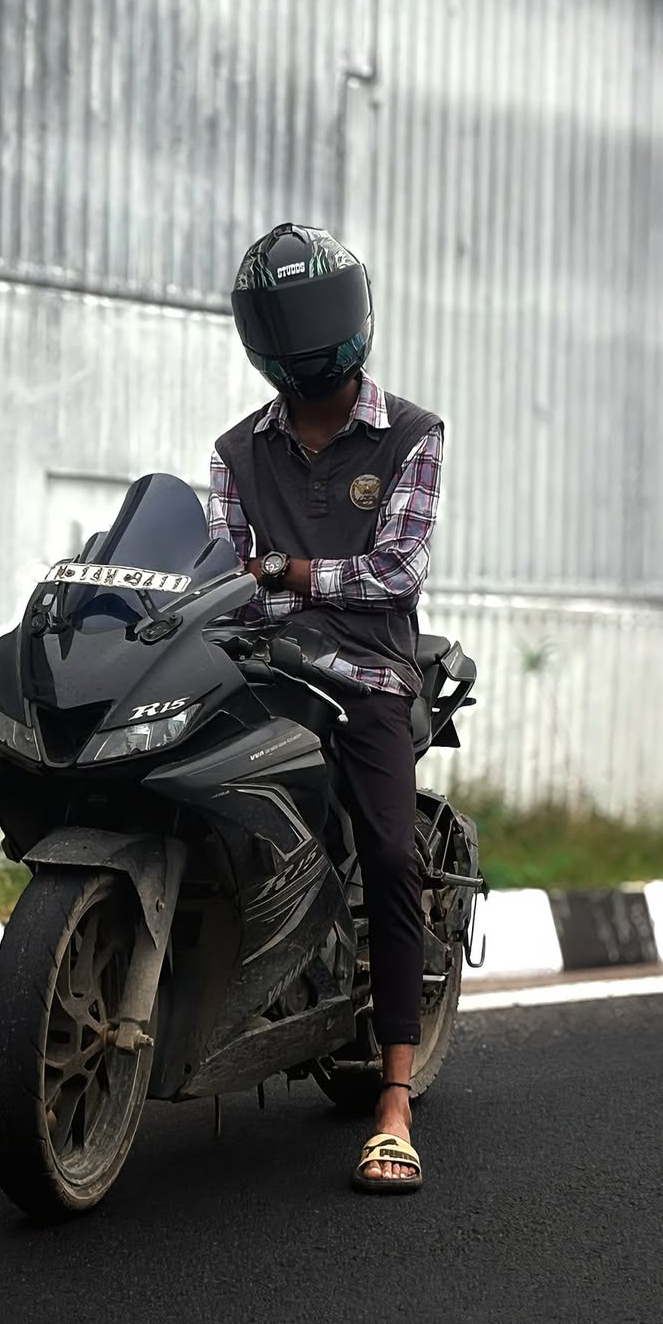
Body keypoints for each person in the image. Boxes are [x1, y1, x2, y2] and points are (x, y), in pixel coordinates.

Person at [206, 221, 445, 1192]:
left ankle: (393, 1100)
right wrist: (266, 579)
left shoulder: (411, 435)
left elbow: (396, 573)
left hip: (369, 676)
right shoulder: (236, 449)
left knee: (388, 851)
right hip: (263, 666)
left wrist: (285, 571)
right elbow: (223, 571)